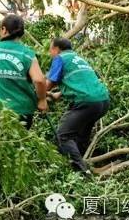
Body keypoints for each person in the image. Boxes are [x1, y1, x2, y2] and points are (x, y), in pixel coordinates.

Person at [46, 37, 110, 173]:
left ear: (56, 49)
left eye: (50, 49)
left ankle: (82, 172)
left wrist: (37, 94)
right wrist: (57, 94)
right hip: (103, 101)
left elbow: (48, 84)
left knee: (63, 135)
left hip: (87, 102)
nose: (49, 53)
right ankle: (80, 165)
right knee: (80, 135)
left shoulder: (60, 58)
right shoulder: (79, 59)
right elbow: (80, 81)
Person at [0, 14, 48, 129]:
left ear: (4, 29)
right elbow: (39, 80)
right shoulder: (27, 53)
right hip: (22, 112)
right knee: (18, 144)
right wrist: (42, 100)